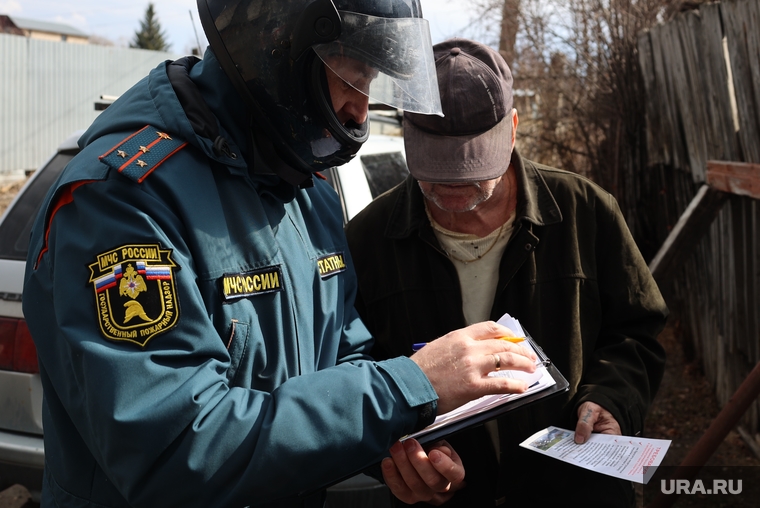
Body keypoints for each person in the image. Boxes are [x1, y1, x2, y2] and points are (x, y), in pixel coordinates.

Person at [21, 4, 539, 507]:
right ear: (278, 51)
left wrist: (400, 442)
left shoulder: (303, 189)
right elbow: (176, 448)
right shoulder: (121, 199)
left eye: (371, 83)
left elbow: (342, 357)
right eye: (351, 77)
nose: (360, 110)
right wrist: (409, 386)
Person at [345, 38, 668, 507]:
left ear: (512, 130)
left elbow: (636, 332)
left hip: (575, 491)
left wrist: (612, 399)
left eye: (472, 169)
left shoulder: (585, 212)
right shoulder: (368, 241)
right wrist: (406, 457)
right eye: (435, 171)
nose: (452, 189)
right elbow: (351, 372)